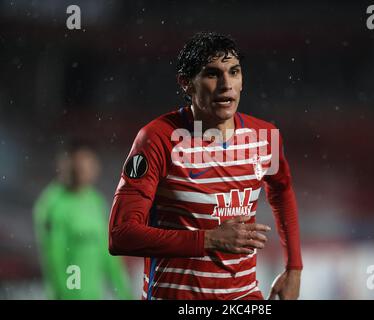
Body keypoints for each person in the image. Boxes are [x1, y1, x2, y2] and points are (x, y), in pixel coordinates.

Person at [108, 32, 303, 300]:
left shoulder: (265, 136)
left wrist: (294, 268)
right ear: (186, 83)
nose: (226, 84)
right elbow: (121, 235)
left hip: (243, 297)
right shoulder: (158, 138)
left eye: (234, 72)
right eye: (212, 74)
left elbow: (282, 190)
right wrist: (209, 240)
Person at [33, 141, 132, 299]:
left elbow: (109, 255)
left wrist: (123, 293)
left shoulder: (96, 201)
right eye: (77, 166)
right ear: (65, 166)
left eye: (87, 166)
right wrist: (65, 295)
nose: (82, 171)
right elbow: (55, 258)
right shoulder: (53, 205)